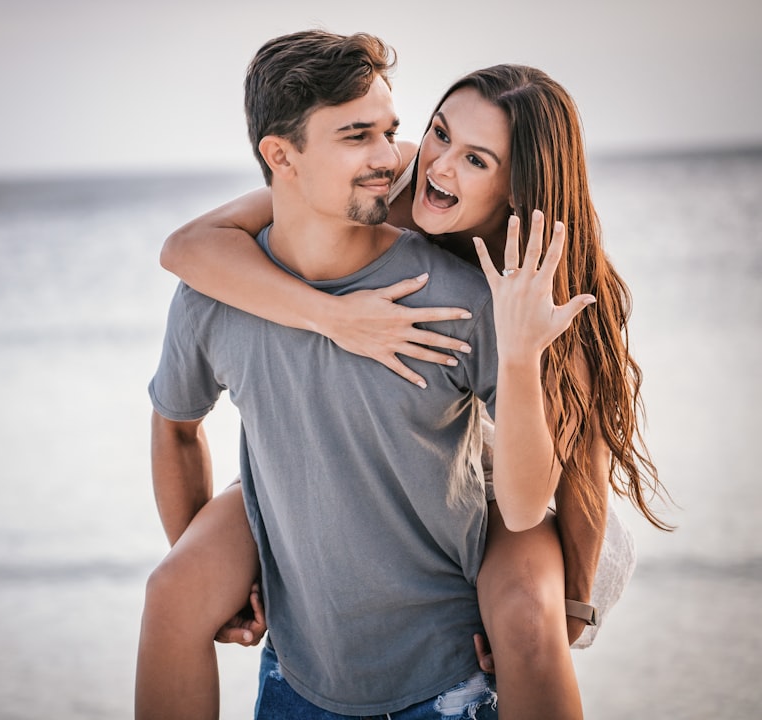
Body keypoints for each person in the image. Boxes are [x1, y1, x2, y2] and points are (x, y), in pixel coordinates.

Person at [146, 54, 671, 720]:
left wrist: (573, 602)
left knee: (528, 624)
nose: (439, 164)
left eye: (479, 160)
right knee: (178, 588)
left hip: (526, 464)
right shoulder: (388, 179)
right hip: (384, 434)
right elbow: (190, 246)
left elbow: (582, 460)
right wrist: (337, 319)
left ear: (520, 186)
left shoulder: (548, 282)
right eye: (439, 132)